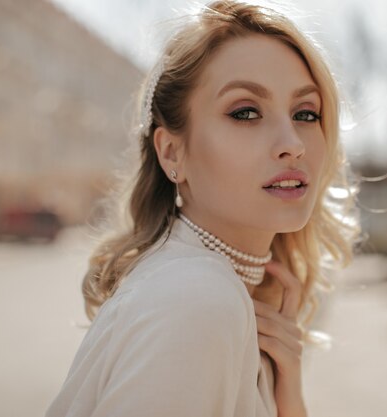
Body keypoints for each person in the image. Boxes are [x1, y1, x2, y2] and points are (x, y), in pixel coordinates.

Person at [46, 1, 359, 416]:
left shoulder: (210, 291)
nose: (293, 143)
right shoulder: (197, 298)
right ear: (172, 152)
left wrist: (289, 398)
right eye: (246, 112)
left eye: (305, 113)